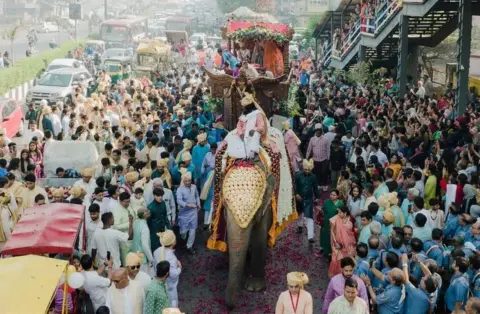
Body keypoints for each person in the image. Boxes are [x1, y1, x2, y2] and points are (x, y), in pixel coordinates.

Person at [154, 230, 182, 307]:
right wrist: (180, 267)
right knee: (172, 302)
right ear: (173, 243)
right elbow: (174, 274)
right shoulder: (171, 257)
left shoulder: (156, 251)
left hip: (159, 281)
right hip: (169, 285)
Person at [295, 159, 320, 242]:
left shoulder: (313, 177)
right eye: (306, 169)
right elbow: (294, 186)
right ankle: (300, 226)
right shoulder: (298, 175)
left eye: (309, 170)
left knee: (309, 217)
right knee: (300, 214)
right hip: (299, 198)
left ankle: (310, 236)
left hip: (309, 199)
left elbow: (315, 188)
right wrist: (296, 194)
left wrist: (317, 197)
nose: (307, 171)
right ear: (303, 168)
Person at [176, 172, 200, 255]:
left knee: (193, 229)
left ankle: (189, 246)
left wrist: (198, 204)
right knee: (183, 232)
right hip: (184, 212)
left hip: (193, 212)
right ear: (183, 181)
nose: (188, 182)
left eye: (189, 180)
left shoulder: (194, 187)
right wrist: (187, 204)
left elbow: (197, 196)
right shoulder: (180, 189)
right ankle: (183, 238)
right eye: (186, 181)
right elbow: (178, 200)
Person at [329, 206, 357, 277]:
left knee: (347, 261)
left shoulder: (351, 219)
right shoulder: (335, 218)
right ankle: (338, 276)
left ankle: (347, 274)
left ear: (345, 213)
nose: (338, 214)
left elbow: (354, 231)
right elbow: (332, 231)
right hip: (338, 244)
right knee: (336, 260)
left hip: (349, 245)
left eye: (340, 212)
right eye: (338, 212)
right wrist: (335, 243)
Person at [320, 189, 344, 256]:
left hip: (336, 223)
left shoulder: (340, 203)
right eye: (331, 194)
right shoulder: (326, 202)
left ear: (337, 196)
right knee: (326, 235)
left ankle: (332, 251)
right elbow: (323, 210)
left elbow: (342, 213)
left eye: (334, 195)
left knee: (334, 236)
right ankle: (325, 250)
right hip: (327, 221)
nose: (332, 196)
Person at [306, 124, 330, 191]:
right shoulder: (312, 139)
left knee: (324, 172)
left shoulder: (326, 139)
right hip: (315, 159)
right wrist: (306, 158)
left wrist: (328, 159)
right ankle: (319, 185)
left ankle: (325, 185)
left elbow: (328, 149)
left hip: (324, 159)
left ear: (321, 131)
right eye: (317, 130)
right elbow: (309, 149)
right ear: (315, 131)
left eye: (320, 130)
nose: (318, 132)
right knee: (317, 173)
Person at [131, 207, 154, 275]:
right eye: (147, 211)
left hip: (135, 253)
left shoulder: (136, 222)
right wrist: (151, 259)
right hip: (142, 258)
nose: (149, 211)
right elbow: (145, 245)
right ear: (144, 214)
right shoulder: (144, 228)